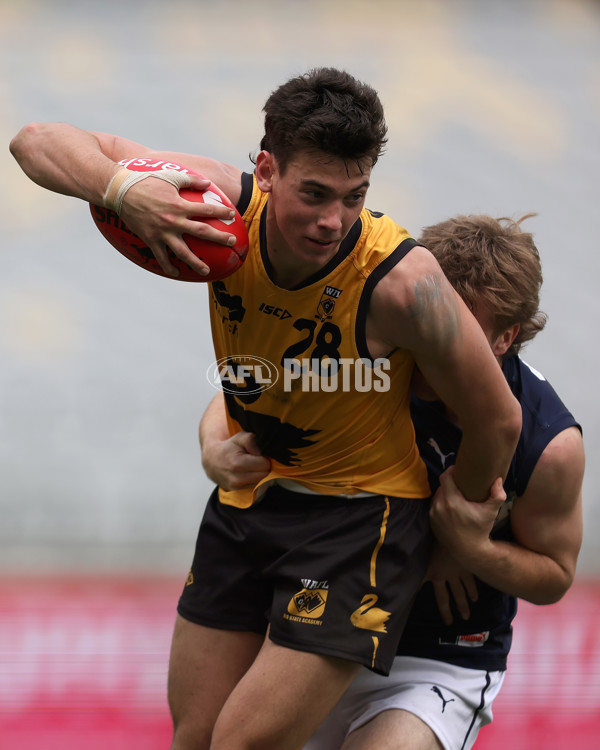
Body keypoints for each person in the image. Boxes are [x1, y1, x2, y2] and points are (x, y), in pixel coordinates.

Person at [9, 69, 522, 750]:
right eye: (314, 193)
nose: (333, 220)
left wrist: (460, 525)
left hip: (357, 523)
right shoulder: (221, 202)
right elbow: (35, 141)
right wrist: (122, 189)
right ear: (267, 169)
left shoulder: (402, 282)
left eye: (354, 196)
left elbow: (500, 418)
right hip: (251, 501)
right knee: (194, 738)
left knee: (241, 744)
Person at [200, 213, 584, 750]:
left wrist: (471, 548)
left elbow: (556, 574)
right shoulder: (383, 349)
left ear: (506, 336)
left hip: (436, 656)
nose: (432, 344)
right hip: (313, 631)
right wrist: (214, 446)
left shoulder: (549, 443)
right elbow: (254, 389)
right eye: (429, 322)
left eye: (461, 329)